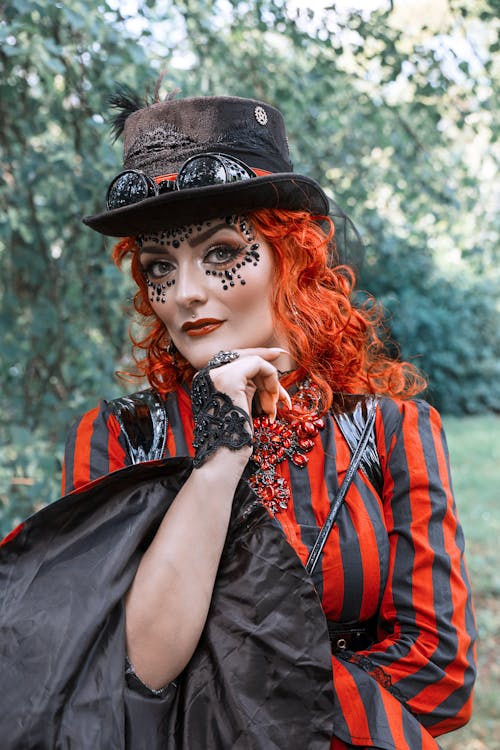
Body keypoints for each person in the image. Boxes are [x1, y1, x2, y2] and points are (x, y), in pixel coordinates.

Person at [0, 91, 476, 750]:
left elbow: (440, 673)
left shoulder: (392, 430)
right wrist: (221, 453)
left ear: (294, 257)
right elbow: (128, 670)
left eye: (221, 252)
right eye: (159, 267)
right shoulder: (117, 438)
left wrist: (232, 709)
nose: (186, 291)